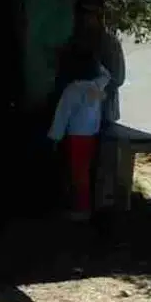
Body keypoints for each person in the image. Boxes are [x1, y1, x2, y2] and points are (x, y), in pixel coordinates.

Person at [48, 52, 111, 220]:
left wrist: (54, 137)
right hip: (92, 134)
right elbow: (107, 75)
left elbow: (62, 115)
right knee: (85, 170)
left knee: (78, 173)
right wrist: (98, 62)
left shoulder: (72, 90)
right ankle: (84, 206)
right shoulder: (97, 85)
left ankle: (81, 210)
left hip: (76, 136)